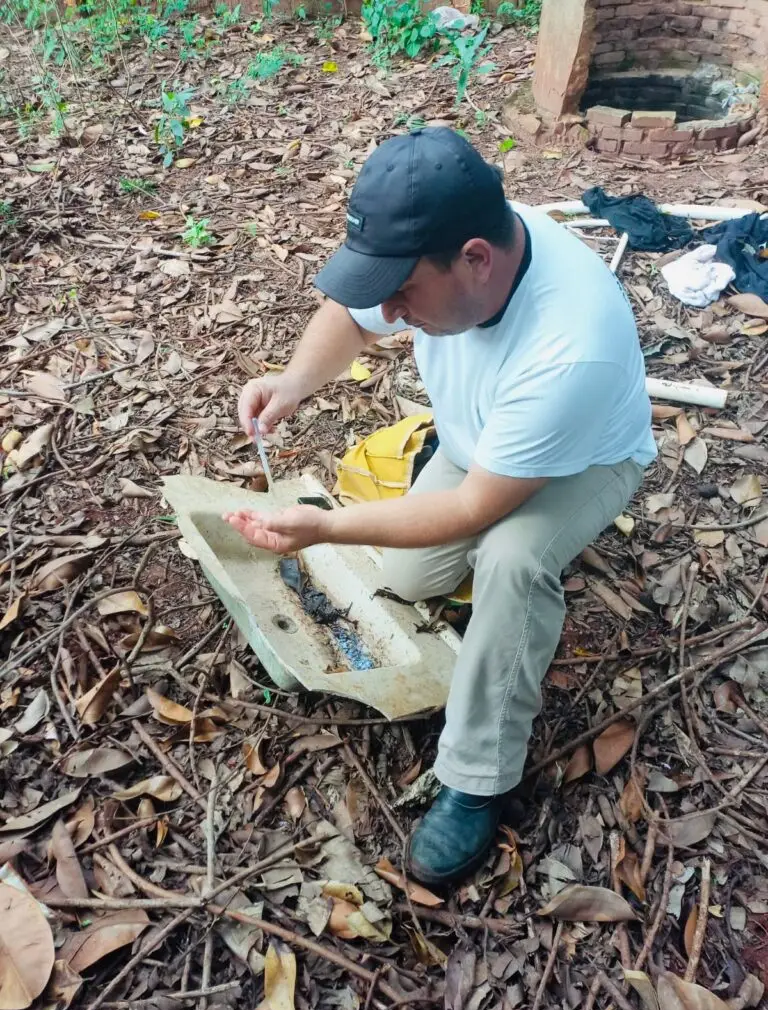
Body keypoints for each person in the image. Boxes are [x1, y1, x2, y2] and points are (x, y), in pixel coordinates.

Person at [225, 127, 656, 887]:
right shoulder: (445, 250)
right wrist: (292, 382)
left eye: (402, 291)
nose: (390, 308)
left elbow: (473, 508)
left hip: (585, 460)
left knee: (511, 559)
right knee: (409, 576)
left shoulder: (571, 345)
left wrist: (325, 527)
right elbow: (352, 317)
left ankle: (477, 777)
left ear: (476, 261)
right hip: (481, 441)